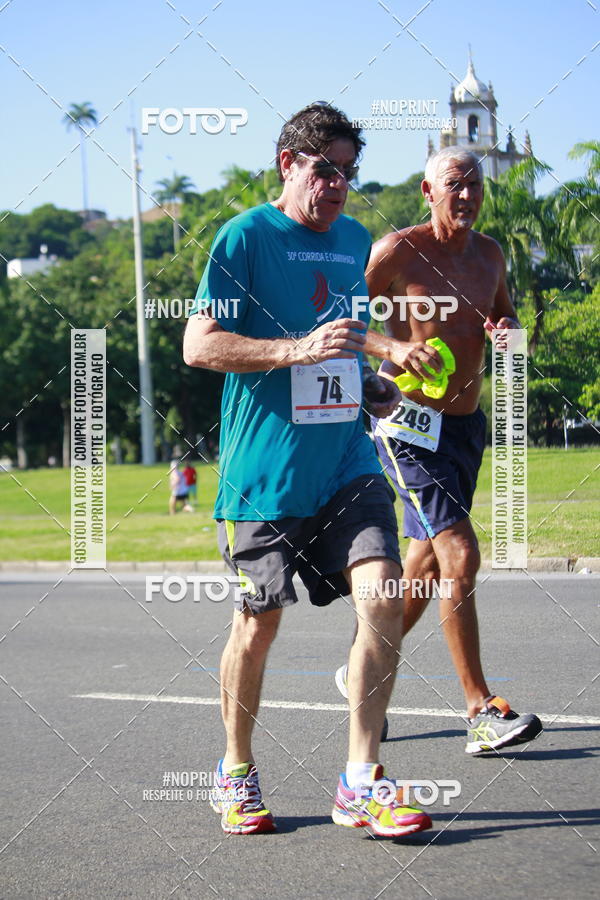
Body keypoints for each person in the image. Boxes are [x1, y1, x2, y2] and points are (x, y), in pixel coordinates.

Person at [184, 103, 442, 837]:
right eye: (325, 169)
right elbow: (199, 345)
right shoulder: (245, 237)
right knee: (258, 622)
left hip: (347, 465)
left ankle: (361, 781)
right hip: (265, 476)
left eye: (348, 173)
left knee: (384, 596)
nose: (337, 185)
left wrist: (371, 385)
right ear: (287, 164)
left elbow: (347, 339)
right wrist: (294, 350)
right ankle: (236, 770)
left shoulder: (354, 240)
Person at [335, 146, 542, 756]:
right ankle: (480, 710)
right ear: (428, 192)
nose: (468, 194)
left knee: (424, 571)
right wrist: (393, 349)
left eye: (475, 184)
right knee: (461, 555)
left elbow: (507, 321)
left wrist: (507, 334)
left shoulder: (490, 255)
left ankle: (362, 671)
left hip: (464, 428)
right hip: (406, 426)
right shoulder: (397, 251)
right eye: (455, 183)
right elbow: (340, 318)